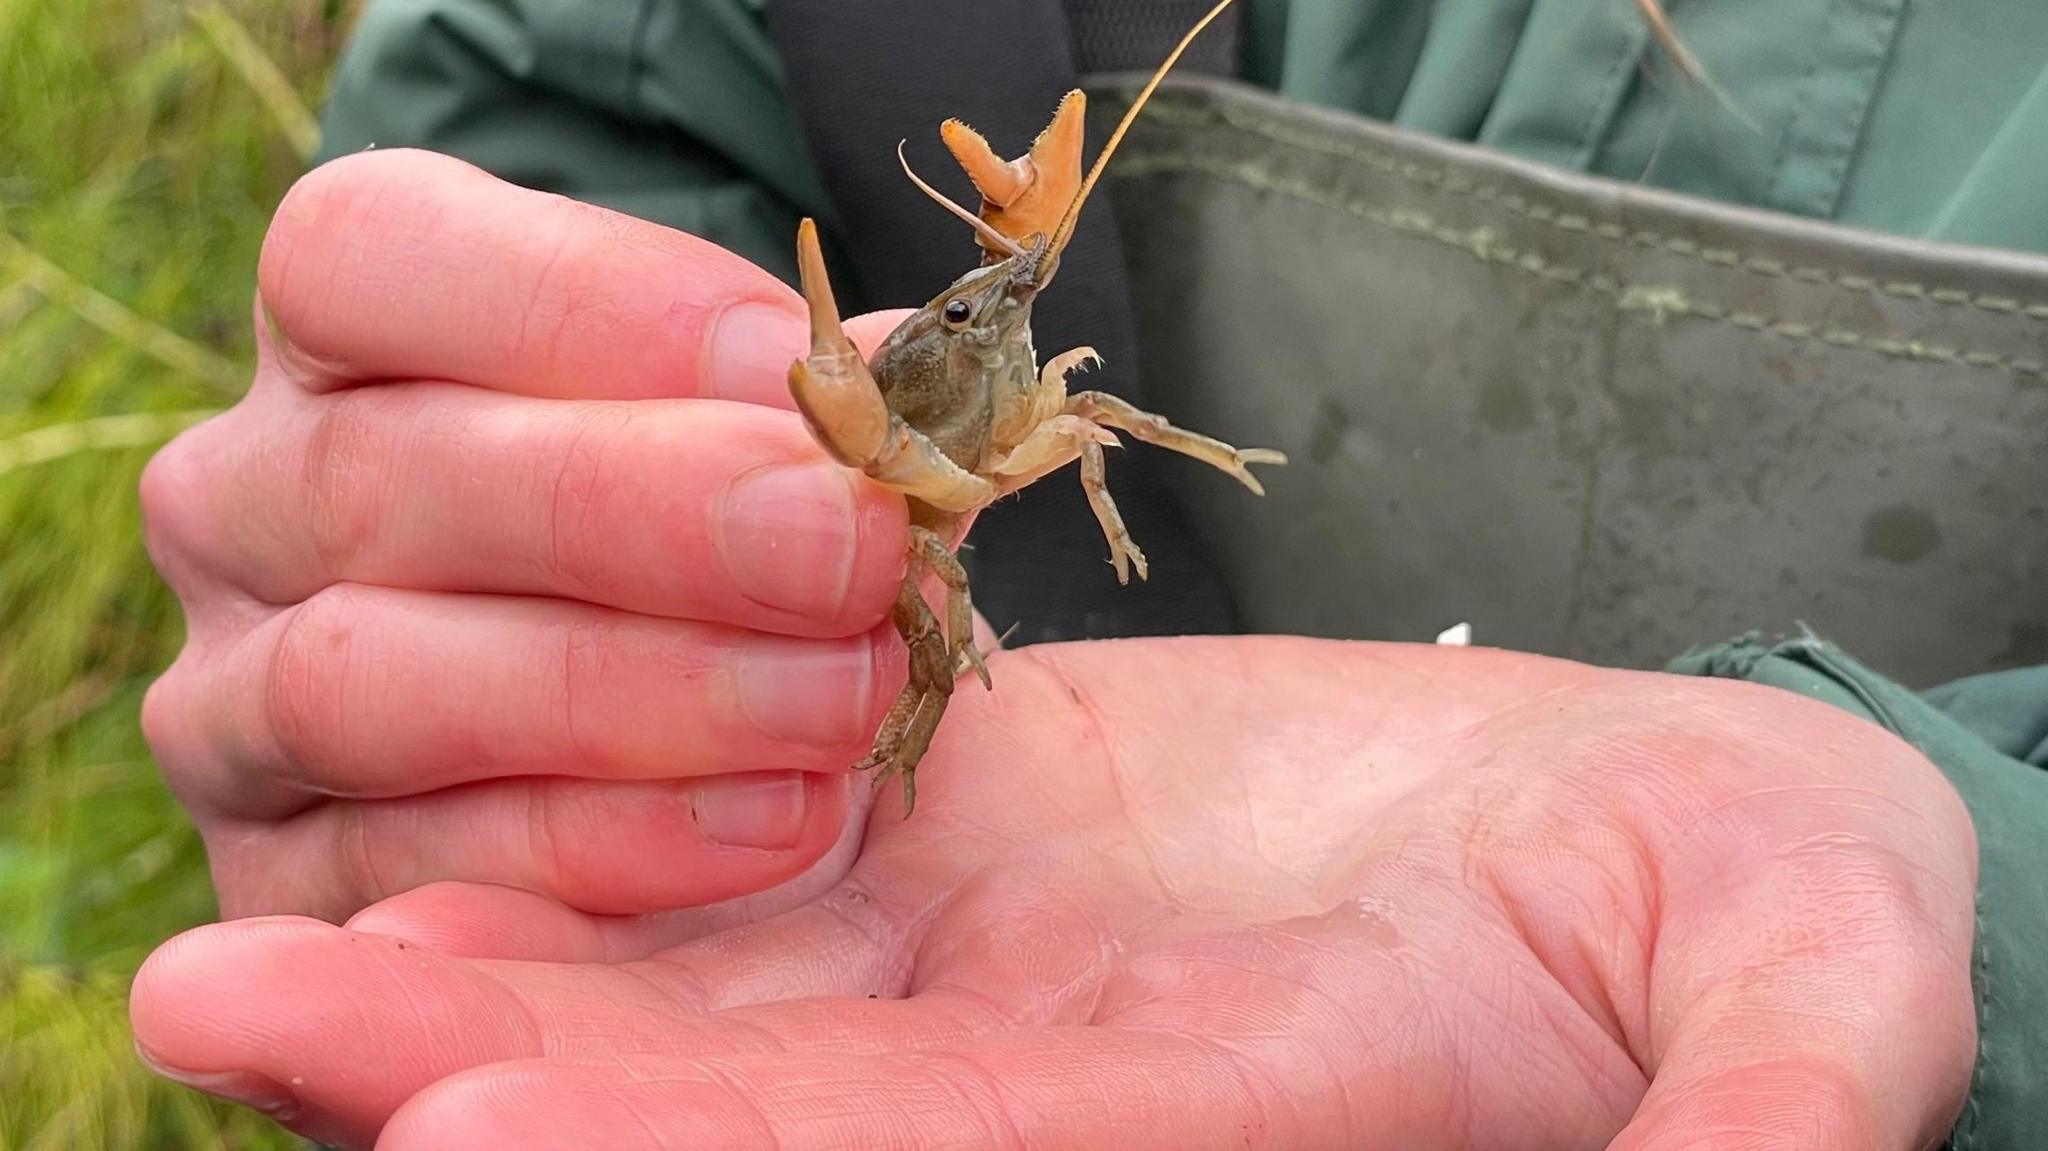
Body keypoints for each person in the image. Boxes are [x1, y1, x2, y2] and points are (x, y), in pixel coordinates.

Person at [127, 2, 2048, 1147]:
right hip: (829, 855)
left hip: (974, 589)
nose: (995, 299)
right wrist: (467, 624)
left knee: (1095, 413)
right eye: (979, 290)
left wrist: (1991, 893)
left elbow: (1045, 407)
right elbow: (577, 154)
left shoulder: (1013, 349)